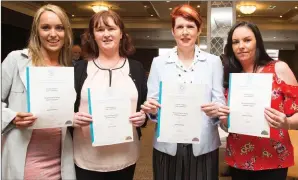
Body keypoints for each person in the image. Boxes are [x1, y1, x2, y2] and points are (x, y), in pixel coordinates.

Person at [141, 4, 226, 180]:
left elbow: (219, 101)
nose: (185, 32)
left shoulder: (213, 62)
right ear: (173, 31)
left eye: (190, 26)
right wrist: (152, 110)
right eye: (180, 27)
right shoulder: (159, 63)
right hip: (167, 144)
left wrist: (216, 111)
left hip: (203, 144)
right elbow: (152, 102)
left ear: (199, 30)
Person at [1, 4, 76, 180]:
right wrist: (12, 116)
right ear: (37, 32)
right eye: (45, 28)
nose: (53, 34)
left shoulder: (68, 68)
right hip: (25, 158)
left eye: (59, 28)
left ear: (66, 33)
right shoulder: (16, 60)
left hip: (60, 158)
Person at [72, 10, 147, 180]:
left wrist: (143, 117)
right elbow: (65, 109)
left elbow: (144, 107)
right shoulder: (79, 69)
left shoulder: (136, 68)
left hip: (126, 157)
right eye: (99, 30)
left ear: (121, 34)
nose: (106, 34)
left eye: (111, 28)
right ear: (93, 36)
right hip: (87, 158)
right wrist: (72, 117)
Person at [218, 21, 298, 180]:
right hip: (239, 156)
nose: (241, 46)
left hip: (273, 157)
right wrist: (223, 120)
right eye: (235, 42)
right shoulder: (231, 76)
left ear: (258, 42)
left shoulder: (278, 69)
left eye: (247, 40)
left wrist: (287, 123)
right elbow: (226, 124)